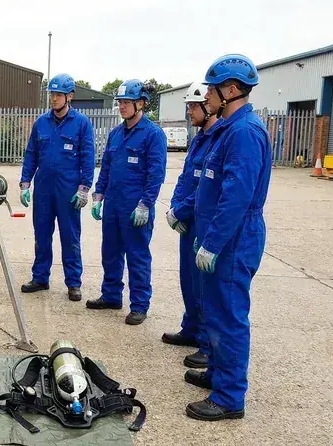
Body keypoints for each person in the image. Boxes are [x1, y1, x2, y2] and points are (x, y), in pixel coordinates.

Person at [184, 54, 271, 422]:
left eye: (213, 89)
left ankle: (230, 397)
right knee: (215, 311)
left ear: (231, 90)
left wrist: (215, 242)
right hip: (218, 232)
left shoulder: (244, 132)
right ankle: (218, 376)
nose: (207, 97)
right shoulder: (228, 128)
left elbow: (236, 195)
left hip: (234, 237)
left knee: (229, 315)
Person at [87, 79, 167, 325]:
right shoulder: (116, 134)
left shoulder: (153, 135)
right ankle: (111, 295)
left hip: (135, 208)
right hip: (113, 205)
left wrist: (145, 204)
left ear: (141, 104)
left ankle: (140, 305)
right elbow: (107, 167)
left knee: (137, 256)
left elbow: (156, 174)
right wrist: (98, 194)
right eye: (120, 102)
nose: (121, 107)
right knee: (110, 252)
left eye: (127, 102)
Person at [18, 73, 95, 301]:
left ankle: (73, 282)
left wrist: (84, 188)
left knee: (70, 236)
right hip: (43, 189)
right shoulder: (41, 123)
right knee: (42, 234)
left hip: (68, 190)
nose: (54, 99)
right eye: (52, 94)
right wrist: (25, 182)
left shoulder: (81, 123)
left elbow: (88, 157)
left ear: (69, 96)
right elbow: (31, 154)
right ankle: (40, 277)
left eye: (58, 95)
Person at [162, 82, 220, 369]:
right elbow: (185, 180)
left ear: (209, 108)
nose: (189, 111)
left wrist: (181, 210)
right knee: (188, 278)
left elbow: (207, 190)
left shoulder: (218, 140)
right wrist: (175, 209)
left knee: (204, 287)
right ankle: (191, 328)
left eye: (193, 106)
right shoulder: (197, 139)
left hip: (204, 221)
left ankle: (208, 346)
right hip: (188, 219)